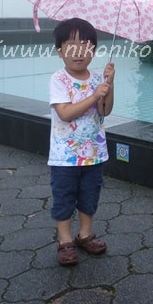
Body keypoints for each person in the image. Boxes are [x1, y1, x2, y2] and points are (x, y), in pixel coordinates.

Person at [48, 17, 115, 266]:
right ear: (60, 51)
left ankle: (85, 235)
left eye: (86, 46)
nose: (79, 52)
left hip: (94, 153)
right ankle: (64, 241)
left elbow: (105, 110)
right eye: (72, 45)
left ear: (93, 51)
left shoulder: (98, 79)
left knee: (89, 196)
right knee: (64, 197)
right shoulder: (59, 80)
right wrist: (93, 95)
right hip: (65, 157)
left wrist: (110, 83)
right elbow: (65, 113)